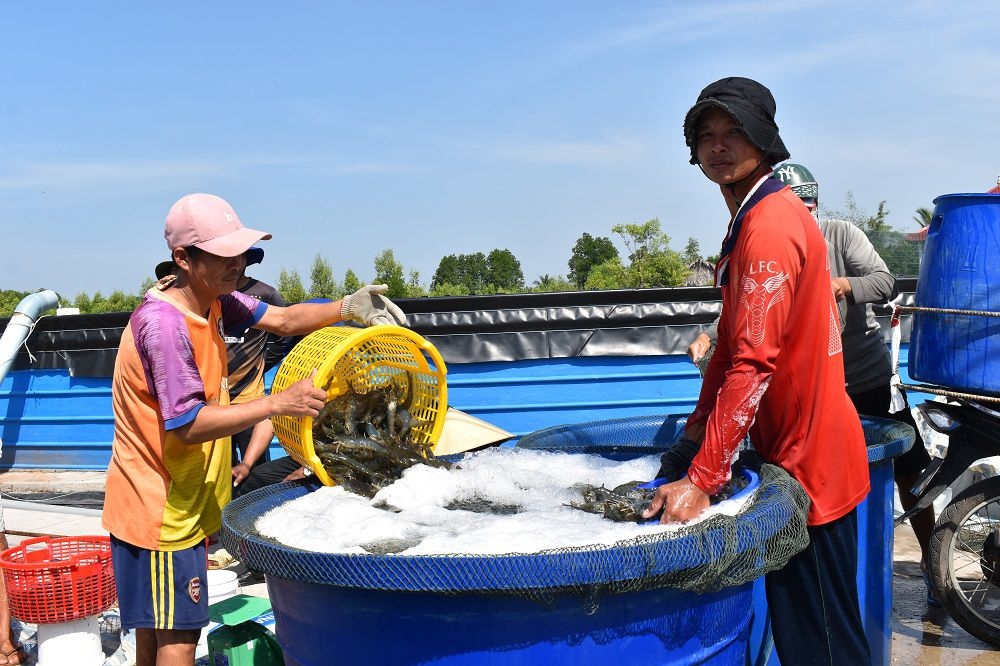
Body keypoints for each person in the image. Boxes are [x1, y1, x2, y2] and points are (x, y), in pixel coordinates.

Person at [102, 192, 406, 666]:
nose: (238, 263)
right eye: (224, 254)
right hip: (160, 512)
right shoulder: (165, 326)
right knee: (178, 641)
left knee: (153, 634)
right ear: (183, 258)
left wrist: (348, 305)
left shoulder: (215, 300)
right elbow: (188, 424)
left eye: (241, 251)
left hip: (167, 502)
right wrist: (278, 403)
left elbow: (284, 320)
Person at [643, 77, 871, 664]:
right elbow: (726, 350)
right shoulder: (753, 216)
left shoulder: (768, 227)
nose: (718, 146)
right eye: (706, 135)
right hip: (799, 452)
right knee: (815, 631)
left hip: (806, 465)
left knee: (819, 640)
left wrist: (703, 479)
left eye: (734, 132)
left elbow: (752, 365)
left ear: (765, 141)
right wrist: (693, 437)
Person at [688, 162, 938, 605]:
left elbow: (884, 281)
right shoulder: (769, 234)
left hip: (862, 374)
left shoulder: (839, 234)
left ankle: (932, 559)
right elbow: (753, 306)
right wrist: (711, 331)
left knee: (907, 467)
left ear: (816, 203)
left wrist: (841, 283)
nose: (801, 210)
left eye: (808, 203)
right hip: (815, 387)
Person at [157, 246, 290, 491]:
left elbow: (284, 327)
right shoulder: (197, 304)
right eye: (225, 259)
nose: (234, 266)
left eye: (238, 259)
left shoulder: (263, 294)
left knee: (255, 473)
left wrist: (258, 366)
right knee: (220, 470)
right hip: (214, 403)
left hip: (250, 397)